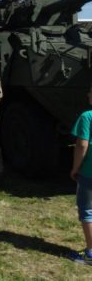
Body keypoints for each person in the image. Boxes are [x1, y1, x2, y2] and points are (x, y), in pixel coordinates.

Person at [70, 86, 92, 265]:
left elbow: (82, 145)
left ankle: (90, 254)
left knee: (87, 211)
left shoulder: (87, 116)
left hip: (89, 172)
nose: (88, 94)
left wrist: (75, 169)